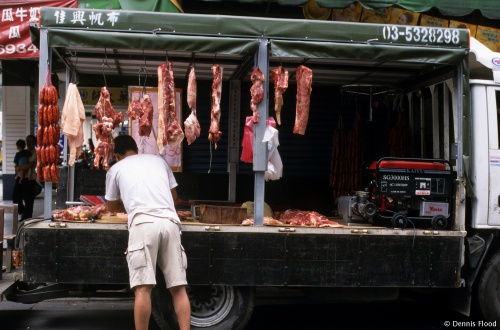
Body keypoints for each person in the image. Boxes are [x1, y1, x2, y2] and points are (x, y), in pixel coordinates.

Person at [105, 135, 191, 330]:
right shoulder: (159, 160)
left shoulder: (116, 169)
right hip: (170, 223)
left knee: (143, 288)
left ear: (117, 155)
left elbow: (111, 206)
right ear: (136, 148)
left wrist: (126, 203)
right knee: (178, 288)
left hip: (143, 225)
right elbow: (174, 195)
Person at [17, 135, 38, 220]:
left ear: (34, 143)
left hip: (30, 179)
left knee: (29, 199)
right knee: (18, 196)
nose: (29, 143)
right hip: (21, 177)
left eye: (31, 141)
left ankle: (27, 217)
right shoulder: (23, 152)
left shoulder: (35, 153)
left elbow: (30, 164)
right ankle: (22, 211)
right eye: (27, 141)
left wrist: (20, 167)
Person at [12, 139, 31, 218]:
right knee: (25, 198)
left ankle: (22, 211)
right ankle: (24, 212)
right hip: (26, 174)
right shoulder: (27, 153)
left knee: (16, 196)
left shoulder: (18, 154)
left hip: (21, 173)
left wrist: (16, 170)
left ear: (18, 146)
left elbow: (15, 163)